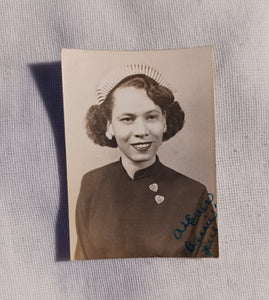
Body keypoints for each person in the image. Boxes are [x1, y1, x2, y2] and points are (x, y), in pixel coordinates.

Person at [74, 64, 218, 259]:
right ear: (109, 126)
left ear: (164, 121)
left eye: (151, 117)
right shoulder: (92, 184)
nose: (141, 131)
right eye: (127, 119)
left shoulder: (194, 195)